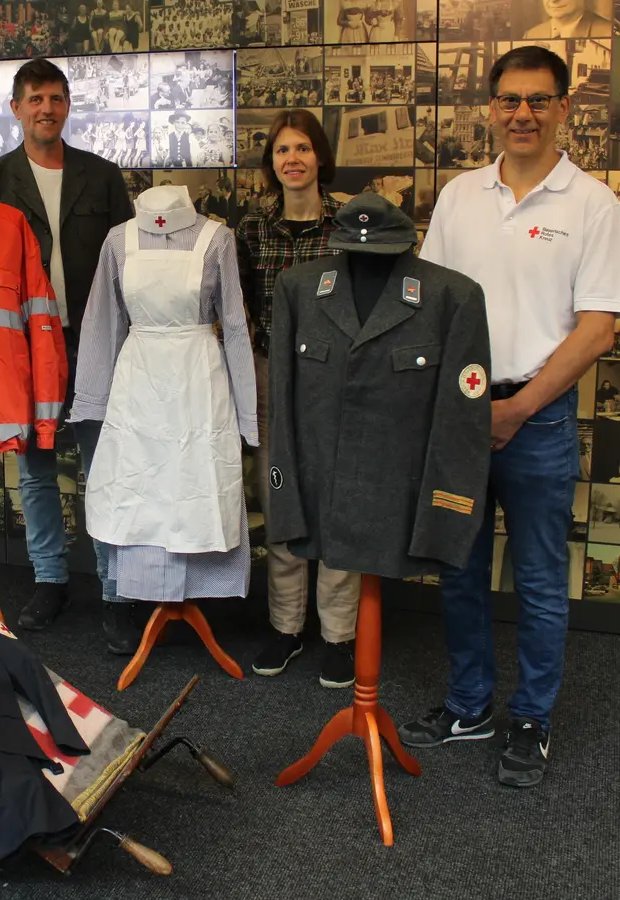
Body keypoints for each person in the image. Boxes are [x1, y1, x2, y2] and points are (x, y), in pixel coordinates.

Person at [399, 45, 620, 788]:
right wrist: (453, 410)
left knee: (535, 578)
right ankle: (469, 706)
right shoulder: (461, 197)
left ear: (565, 107)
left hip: (541, 418)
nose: (522, 113)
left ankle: (532, 719)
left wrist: (521, 407)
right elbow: (429, 307)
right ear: (491, 108)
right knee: (460, 572)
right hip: (461, 418)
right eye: (508, 100)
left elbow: (598, 327)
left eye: (538, 100)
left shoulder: (593, 204)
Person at [0, 58, 136, 648]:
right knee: (37, 472)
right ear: (16, 107)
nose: (46, 108)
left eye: (56, 98)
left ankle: (116, 591)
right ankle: (49, 580)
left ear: (68, 106)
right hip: (24, 345)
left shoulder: (103, 176)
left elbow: (131, 267)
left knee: (106, 471)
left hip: (96, 341)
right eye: (35, 98)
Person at [233, 108, 362, 689]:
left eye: (303, 148)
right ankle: (286, 628)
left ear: (320, 158)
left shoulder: (351, 224)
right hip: (271, 378)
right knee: (280, 495)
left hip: (336, 382)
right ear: (272, 164)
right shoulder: (252, 229)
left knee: (335, 504)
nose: (293, 160)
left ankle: (338, 635)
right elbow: (238, 314)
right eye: (282, 150)